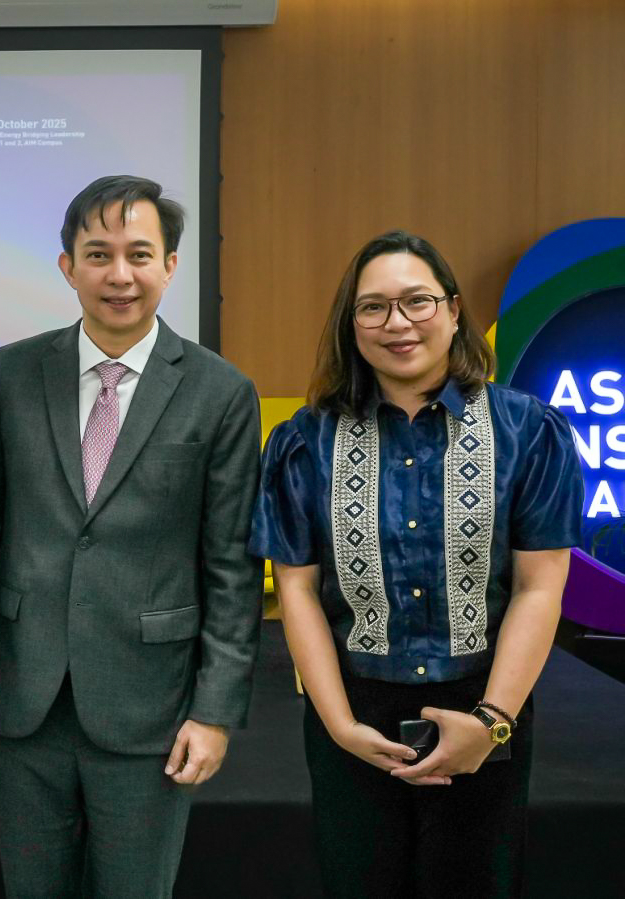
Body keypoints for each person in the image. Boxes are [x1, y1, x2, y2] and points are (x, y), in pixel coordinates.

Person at [0, 175, 263, 898]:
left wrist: (214, 709)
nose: (120, 275)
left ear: (171, 266)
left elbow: (232, 568)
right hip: (24, 700)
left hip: (151, 705)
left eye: (139, 254)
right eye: (98, 254)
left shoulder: (221, 392)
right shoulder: (13, 371)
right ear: (68, 266)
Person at [251, 230, 583, 897]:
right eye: (372, 307)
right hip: (351, 716)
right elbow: (299, 591)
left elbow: (540, 587)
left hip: (487, 710)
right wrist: (341, 725)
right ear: (352, 325)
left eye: (417, 301)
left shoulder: (529, 430)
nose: (396, 322)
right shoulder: (301, 443)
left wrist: (491, 722)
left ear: (455, 310)